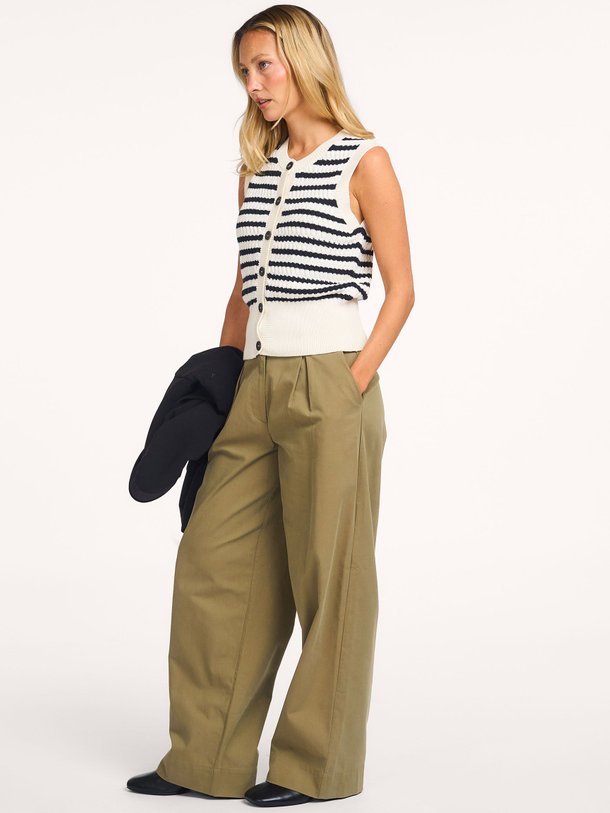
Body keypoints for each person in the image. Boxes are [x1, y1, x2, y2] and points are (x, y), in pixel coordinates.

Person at [127, 4, 414, 807]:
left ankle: (313, 767)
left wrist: (353, 381)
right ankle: (205, 759)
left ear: (304, 60)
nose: (254, 85)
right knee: (212, 562)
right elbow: (243, 287)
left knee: (331, 576)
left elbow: (402, 290)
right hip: (253, 382)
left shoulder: (365, 160)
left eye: (265, 65)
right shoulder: (257, 169)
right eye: (245, 72)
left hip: (331, 382)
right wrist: (222, 381)